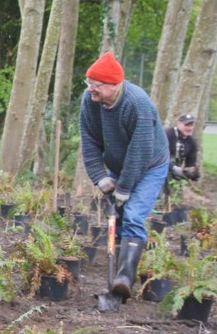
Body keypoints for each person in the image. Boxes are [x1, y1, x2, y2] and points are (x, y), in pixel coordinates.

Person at [79, 52, 170, 299]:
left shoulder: (138, 104)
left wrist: (125, 187)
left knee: (132, 214)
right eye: (89, 84)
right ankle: (118, 273)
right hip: (119, 163)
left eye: (96, 86)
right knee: (116, 215)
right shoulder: (90, 101)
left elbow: (140, 151)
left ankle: (124, 279)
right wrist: (100, 177)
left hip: (150, 164)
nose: (91, 90)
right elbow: (88, 141)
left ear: (114, 85)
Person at [166, 113, 200, 182]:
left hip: (175, 174)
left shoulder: (191, 142)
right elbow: (159, 156)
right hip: (160, 168)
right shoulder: (168, 134)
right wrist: (173, 168)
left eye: (191, 125)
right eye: (186, 125)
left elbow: (191, 163)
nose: (189, 128)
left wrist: (191, 173)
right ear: (178, 123)